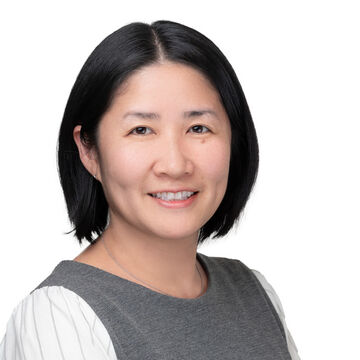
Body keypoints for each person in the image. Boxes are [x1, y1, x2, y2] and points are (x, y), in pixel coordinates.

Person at [0, 20, 300, 359]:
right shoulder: (60, 316)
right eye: (141, 130)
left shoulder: (256, 293)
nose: (174, 164)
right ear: (89, 150)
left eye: (198, 127)